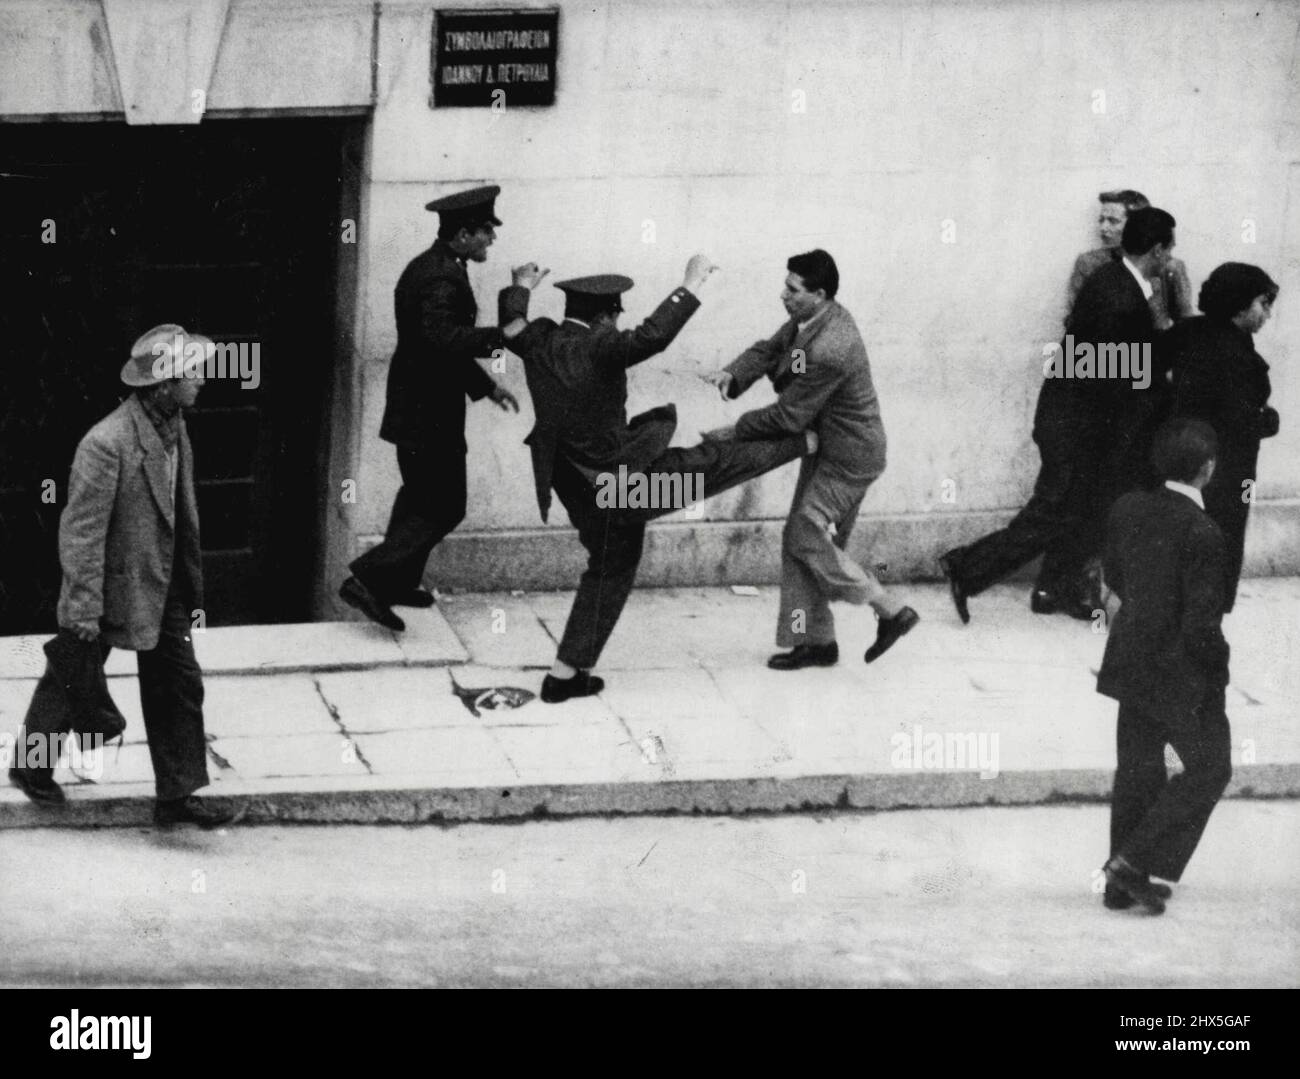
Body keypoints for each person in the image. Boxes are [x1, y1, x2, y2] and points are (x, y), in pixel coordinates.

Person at [500, 257, 813, 702]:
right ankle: (805, 441)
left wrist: (519, 285)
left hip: (570, 481)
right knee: (715, 462)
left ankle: (564, 675)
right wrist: (691, 283)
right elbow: (654, 336)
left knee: (610, 567)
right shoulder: (601, 347)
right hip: (619, 488)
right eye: (615, 316)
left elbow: (511, 324)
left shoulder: (540, 339)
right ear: (605, 316)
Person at [7, 325, 240, 828]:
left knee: (179, 683)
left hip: (163, 585)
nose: (200, 379)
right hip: (113, 585)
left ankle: (177, 794)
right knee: (74, 676)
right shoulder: (106, 443)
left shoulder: (176, 425)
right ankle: (30, 767)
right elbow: (81, 533)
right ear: (161, 386)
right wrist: (83, 607)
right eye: (190, 373)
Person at [940, 208, 1177, 623]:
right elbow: (1112, 378)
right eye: (1168, 250)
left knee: (1080, 509)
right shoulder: (1121, 297)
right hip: (1075, 426)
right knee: (1055, 512)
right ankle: (967, 567)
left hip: (1073, 420)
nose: (1170, 259)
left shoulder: (1114, 282)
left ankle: (1057, 589)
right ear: (1156, 250)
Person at [703, 250, 918, 669]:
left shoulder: (831, 347)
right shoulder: (814, 320)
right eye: (786, 284)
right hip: (827, 447)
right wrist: (735, 375)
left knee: (805, 534)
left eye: (792, 289)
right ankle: (814, 641)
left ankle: (889, 608)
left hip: (851, 458)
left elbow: (789, 414)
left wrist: (737, 429)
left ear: (819, 294)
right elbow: (773, 349)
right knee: (802, 540)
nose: (783, 294)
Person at [340, 185, 532, 632]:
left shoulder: (438, 267)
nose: (492, 240)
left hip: (420, 410)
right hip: (427, 415)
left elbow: (439, 346)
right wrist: (504, 332)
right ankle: (366, 578)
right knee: (445, 506)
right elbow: (442, 340)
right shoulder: (442, 278)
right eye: (486, 232)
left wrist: (486, 387)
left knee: (417, 501)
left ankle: (398, 581)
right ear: (463, 235)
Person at [1097, 418, 1232, 914]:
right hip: (1180, 674)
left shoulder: (1127, 507)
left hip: (1130, 658)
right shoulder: (1205, 532)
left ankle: (1117, 881)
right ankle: (1132, 864)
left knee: (1137, 767)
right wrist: (1217, 673)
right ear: (1208, 469)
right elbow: (1202, 625)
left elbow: (1114, 574)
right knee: (1210, 767)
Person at [1167, 263, 1280, 611]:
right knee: (1215, 553)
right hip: (1225, 474)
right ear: (1240, 305)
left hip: (1180, 464)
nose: (1268, 314)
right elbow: (1239, 422)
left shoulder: (1190, 332)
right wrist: (1268, 420)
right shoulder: (1238, 360)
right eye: (1263, 303)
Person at [1066, 188, 1193, 330]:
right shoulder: (1089, 263)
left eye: (1113, 221)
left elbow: (1186, 321)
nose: (1103, 227)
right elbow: (1075, 319)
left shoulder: (1170, 266)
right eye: (1101, 220)